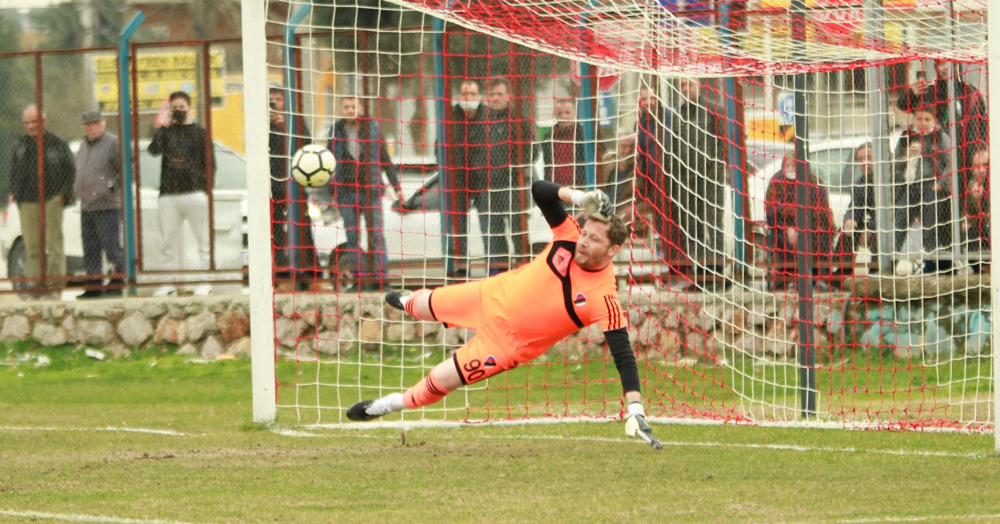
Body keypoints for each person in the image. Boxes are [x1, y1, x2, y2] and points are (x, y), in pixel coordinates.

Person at [347, 179, 663, 451]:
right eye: (585, 234)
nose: (583, 242)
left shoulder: (604, 297)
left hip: (505, 345)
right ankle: (408, 303)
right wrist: (579, 197)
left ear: (611, 251)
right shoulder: (568, 233)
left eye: (594, 240)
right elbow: (540, 191)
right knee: (422, 305)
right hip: (491, 295)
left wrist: (635, 407)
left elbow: (624, 356)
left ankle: (387, 405)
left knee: (439, 381)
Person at [329, 96, 404, 290]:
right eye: (346, 106)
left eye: (353, 106)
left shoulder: (372, 128)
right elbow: (328, 162)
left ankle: (381, 279)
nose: (349, 110)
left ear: (361, 108)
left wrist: (397, 188)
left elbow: (385, 160)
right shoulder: (336, 130)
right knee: (352, 237)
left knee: (377, 235)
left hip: (370, 191)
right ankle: (359, 280)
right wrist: (332, 189)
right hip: (346, 192)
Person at [148, 90, 214, 296]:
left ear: (189, 108)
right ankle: (169, 282)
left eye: (182, 108)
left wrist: (206, 190)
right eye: (174, 108)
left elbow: (210, 162)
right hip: (169, 194)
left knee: (203, 239)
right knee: (168, 240)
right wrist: (162, 127)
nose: (178, 111)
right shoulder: (166, 132)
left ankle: (206, 281)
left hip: (194, 192)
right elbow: (153, 150)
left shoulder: (199, 132)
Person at [8, 105, 75, 296]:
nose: (30, 126)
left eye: (34, 122)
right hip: (27, 202)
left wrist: (63, 195)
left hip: (52, 199)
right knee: (32, 246)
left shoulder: (57, 143)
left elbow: (70, 170)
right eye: (27, 123)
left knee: (54, 244)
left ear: (43, 122)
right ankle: (37, 286)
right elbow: (13, 172)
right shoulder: (20, 145)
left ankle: (55, 286)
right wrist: (17, 195)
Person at [669, 77, 727, 288]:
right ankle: (701, 270)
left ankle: (718, 269)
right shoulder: (678, 114)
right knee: (693, 226)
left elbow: (721, 143)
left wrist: (718, 172)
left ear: (698, 86)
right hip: (687, 179)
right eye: (682, 86)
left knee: (713, 223)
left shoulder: (713, 110)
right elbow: (675, 147)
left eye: (689, 85)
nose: (686, 89)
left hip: (711, 178)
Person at [268, 87, 319, 290]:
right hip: (273, 183)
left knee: (302, 225)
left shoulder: (295, 121)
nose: (274, 103)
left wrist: (283, 126)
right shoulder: (264, 123)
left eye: (278, 99)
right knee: (276, 228)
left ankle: (310, 270)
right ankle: (280, 271)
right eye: (271, 99)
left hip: (294, 182)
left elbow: (306, 144)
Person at [892, 105, 952, 274]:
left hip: (930, 185)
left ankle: (931, 264)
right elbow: (895, 162)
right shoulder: (906, 137)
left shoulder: (940, 137)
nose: (922, 123)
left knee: (929, 225)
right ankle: (891, 261)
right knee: (899, 221)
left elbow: (950, 162)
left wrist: (941, 184)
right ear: (913, 120)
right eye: (919, 119)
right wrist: (906, 157)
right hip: (910, 185)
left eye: (927, 119)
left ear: (934, 121)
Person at [895, 60, 987, 171]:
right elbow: (902, 105)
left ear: (957, 66)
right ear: (936, 67)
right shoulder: (929, 92)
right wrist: (912, 93)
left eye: (949, 64)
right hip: (938, 158)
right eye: (941, 64)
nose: (946, 68)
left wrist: (980, 149)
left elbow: (981, 125)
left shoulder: (971, 93)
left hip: (967, 153)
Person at [73, 110, 124, 299]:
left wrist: (110, 186)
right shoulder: (84, 145)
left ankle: (118, 281)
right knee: (90, 249)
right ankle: (93, 286)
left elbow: (125, 169)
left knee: (111, 247)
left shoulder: (112, 143)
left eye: (94, 123)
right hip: (87, 205)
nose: (91, 127)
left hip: (107, 205)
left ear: (103, 123)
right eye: (87, 124)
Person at [764, 153, 835, 288]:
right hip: (783, 228)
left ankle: (821, 277)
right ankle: (786, 280)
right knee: (781, 241)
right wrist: (788, 228)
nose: (791, 169)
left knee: (821, 235)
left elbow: (821, 209)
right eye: (787, 166)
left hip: (811, 225)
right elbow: (772, 213)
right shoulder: (776, 183)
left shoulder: (813, 181)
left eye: (794, 166)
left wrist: (805, 226)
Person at [484, 78, 532, 273]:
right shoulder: (482, 120)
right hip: (489, 185)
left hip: (513, 184)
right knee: (495, 232)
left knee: (517, 229)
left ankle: (525, 268)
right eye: (492, 94)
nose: (496, 98)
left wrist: (515, 168)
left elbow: (530, 149)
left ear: (508, 96)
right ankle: (502, 272)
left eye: (499, 94)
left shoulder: (518, 119)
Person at [441, 79, 488, 278]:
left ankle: (494, 270)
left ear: (479, 96)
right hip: (458, 181)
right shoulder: (451, 116)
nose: (468, 98)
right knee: (459, 228)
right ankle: (462, 271)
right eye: (464, 94)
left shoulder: (487, 116)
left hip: (484, 180)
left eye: (473, 94)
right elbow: (439, 145)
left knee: (489, 226)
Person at [538, 99, 587, 188]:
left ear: (575, 113)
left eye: (567, 113)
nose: (563, 116)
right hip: (555, 188)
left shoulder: (585, 136)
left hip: (579, 188)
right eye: (559, 113)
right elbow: (547, 165)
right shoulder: (549, 137)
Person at [962, 147, 989, 272]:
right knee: (970, 231)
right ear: (972, 170)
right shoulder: (971, 186)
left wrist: (984, 198)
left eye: (985, 165)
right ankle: (981, 267)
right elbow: (968, 213)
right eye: (977, 166)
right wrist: (976, 199)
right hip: (980, 230)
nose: (982, 170)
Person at [600, 134, 636, 220]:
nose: (628, 151)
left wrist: (636, 209)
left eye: (632, 147)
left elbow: (648, 199)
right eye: (623, 147)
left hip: (624, 215)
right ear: (617, 147)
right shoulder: (606, 161)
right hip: (602, 209)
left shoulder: (642, 168)